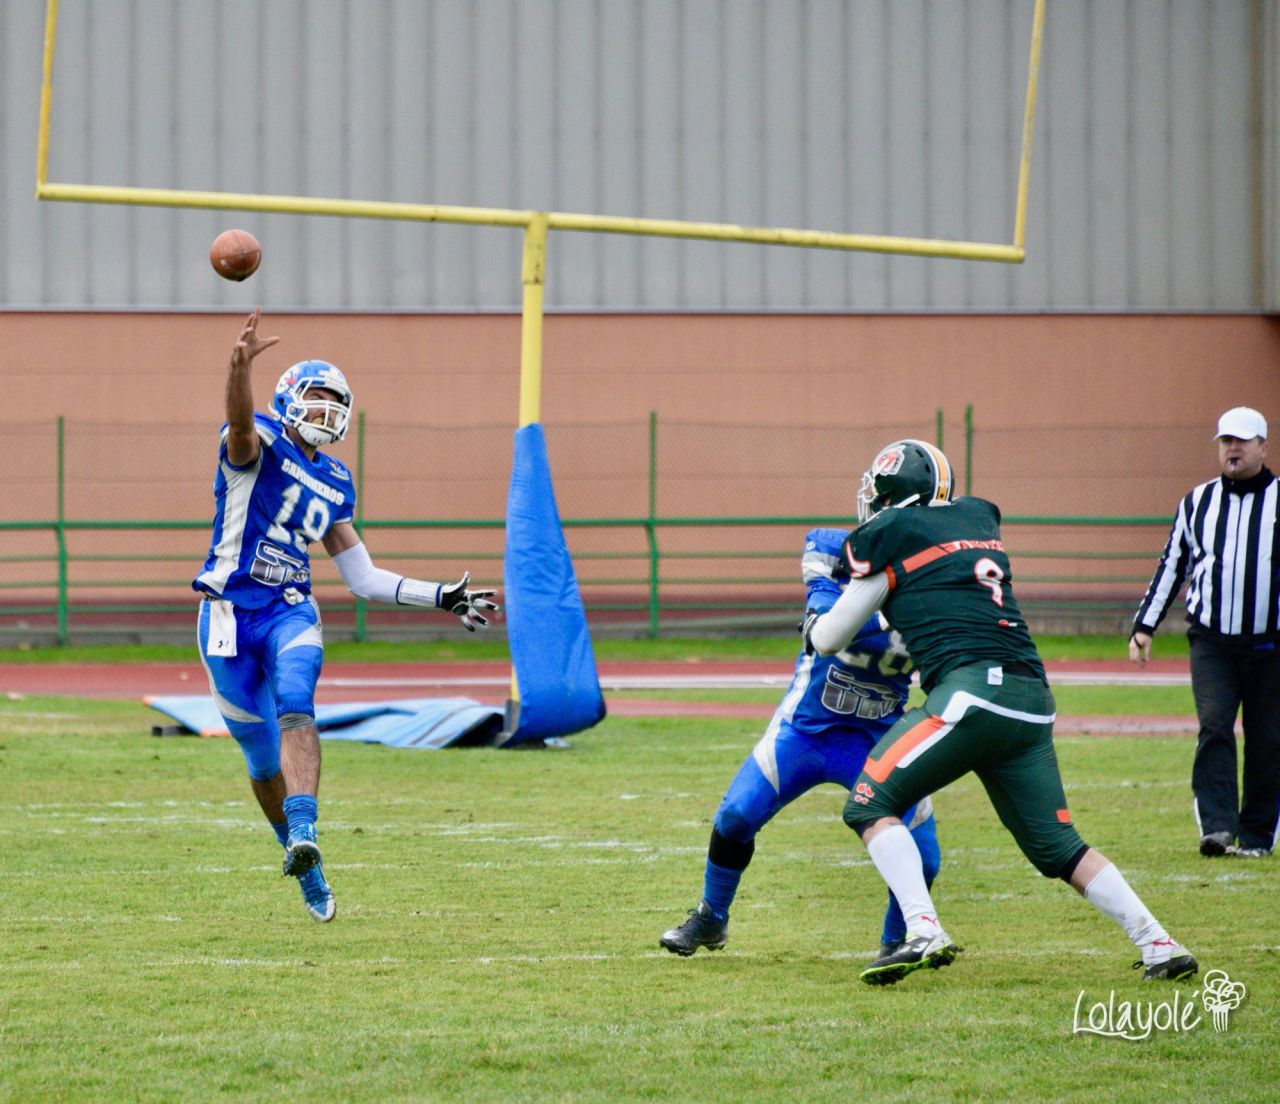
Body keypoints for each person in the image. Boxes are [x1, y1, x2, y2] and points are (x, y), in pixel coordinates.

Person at [802, 439, 1197, 986]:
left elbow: (827, 639)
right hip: (1031, 701)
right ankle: (1159, 943)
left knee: (868, 803)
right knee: (1059, 847)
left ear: (893, 491)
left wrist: (819, 587)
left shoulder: (889, 538)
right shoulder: (973, 522)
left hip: (970, 695)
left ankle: (923, 930)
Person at [193, 309, 498, 922]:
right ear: (288, 399)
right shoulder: (258, 441)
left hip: (289, 610)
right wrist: (238, 371)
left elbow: (360, 576)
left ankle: (305, 829)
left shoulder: (334, 478)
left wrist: (441, 596)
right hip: (227, 613)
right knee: (258, 757)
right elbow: (241, 426)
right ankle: (306, 865)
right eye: (318, 396)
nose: (328, 409)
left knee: (298, 704)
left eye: (337, 400)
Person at [660, 527, 942, 960]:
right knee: (736, 816)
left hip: (879, 735)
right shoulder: (835, 547)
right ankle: (711, 917)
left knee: (924, 858)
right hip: (806, 729)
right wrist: (892, 612)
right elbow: (828, 626)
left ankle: (896, 943)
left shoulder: (939, 579)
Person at [1130, 406, 1280, 859]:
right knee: (1214, 726)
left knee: (1267, 736)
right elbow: (1171, 566)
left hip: (1270, 642)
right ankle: (1217, 827)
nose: (1232, 448)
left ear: (1263, 447)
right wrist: (1145, 625)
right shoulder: (1197, 502)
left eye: (1242, 441)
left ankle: (1256, 835)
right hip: (1212, 640)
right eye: (1225, 441)